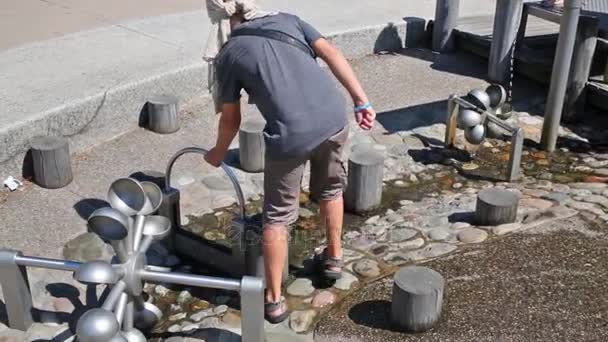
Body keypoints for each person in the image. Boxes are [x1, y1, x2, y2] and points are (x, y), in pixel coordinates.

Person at [203, 0, 376, 323]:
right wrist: (360, 101)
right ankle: (335, 258)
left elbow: (231, 120)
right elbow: (332, 53)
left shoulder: (230, 54)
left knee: (277, 217)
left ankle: (274, 300)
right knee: (331, 190)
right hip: (333, 118)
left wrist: (217, 153)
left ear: (219, 19)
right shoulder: (288, 19)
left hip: (291, 135)